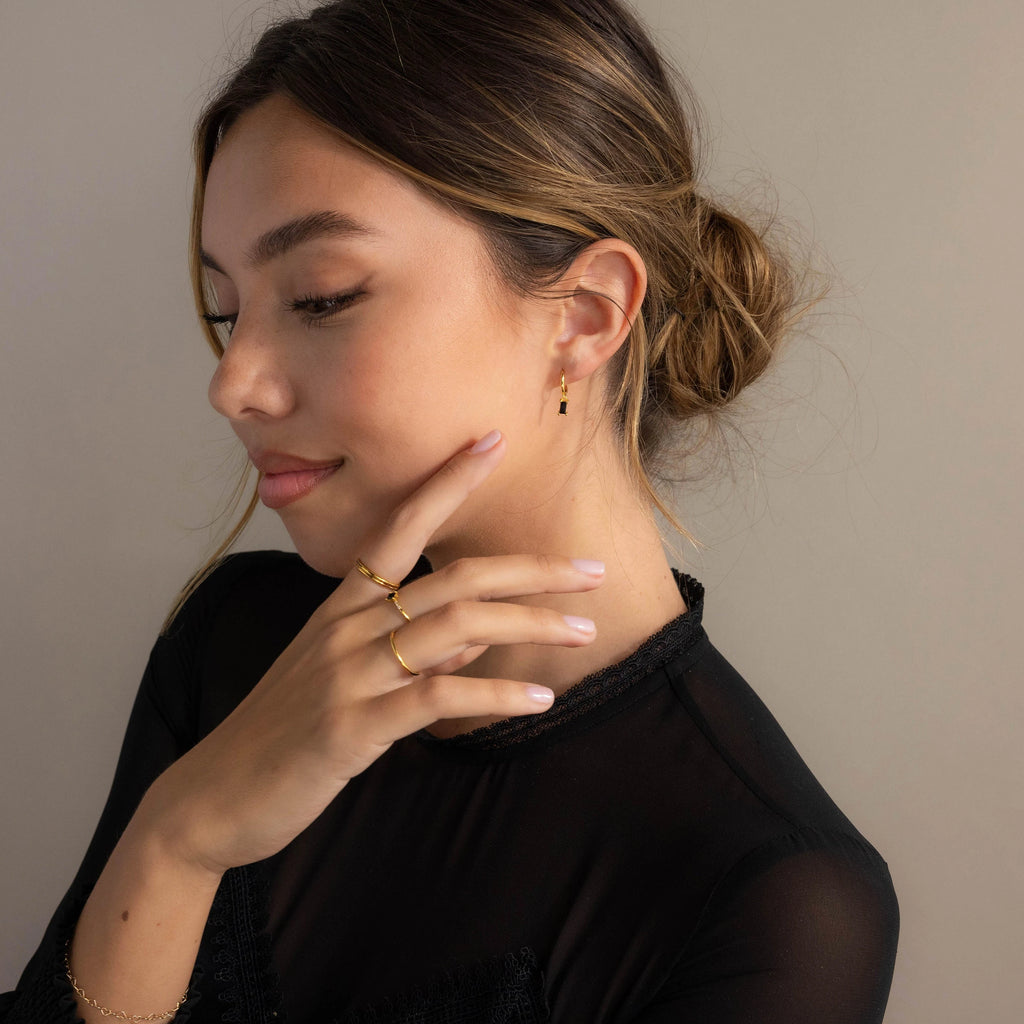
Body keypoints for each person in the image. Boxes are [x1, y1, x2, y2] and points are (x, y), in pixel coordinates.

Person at [0, 1, 899, 1021]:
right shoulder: (238, 646)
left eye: (322, 294)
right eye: (225, 309)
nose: (233, 382)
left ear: (586, 314)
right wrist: (180, 836)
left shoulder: (775, 893)